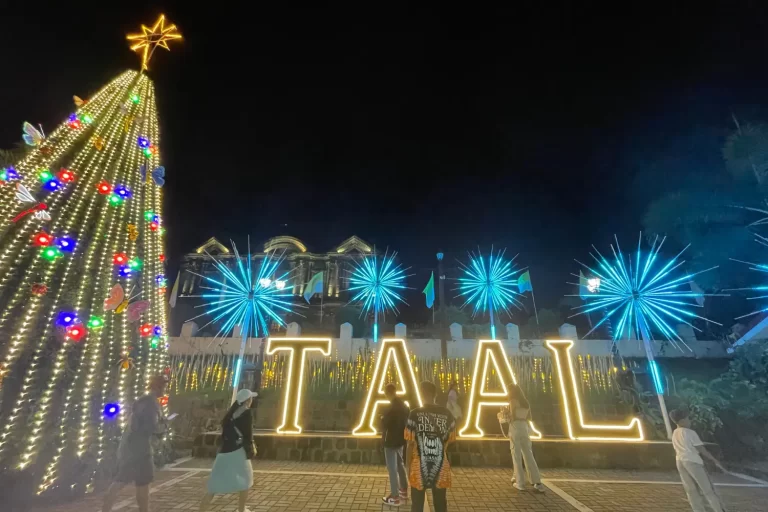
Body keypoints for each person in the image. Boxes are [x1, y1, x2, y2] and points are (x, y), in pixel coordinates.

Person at [102, 375, 168, 512]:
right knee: (123, 481)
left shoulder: (143, 401)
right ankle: (106, 509)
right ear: (157, 386)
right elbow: (150, 428)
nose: (165, 389)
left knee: (141, 483)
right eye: (164, 386)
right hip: (139, 449)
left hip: (134, 447)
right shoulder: (150, 403)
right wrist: (163, 425)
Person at [199, 388, 258, 512]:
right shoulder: (246, 413)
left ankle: (203, 509)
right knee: (246, 479)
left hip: (224, 453)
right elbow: (248, 433)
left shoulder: (230, 414)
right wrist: (252, 446)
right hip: (238, 452)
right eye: (251, 398)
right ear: (248, 400)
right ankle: (241, 510)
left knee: (214, 485)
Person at [404, 381, 456, 512]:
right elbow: (449, 440)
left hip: (418, 466)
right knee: (440, 504)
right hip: (440, 466)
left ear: (421, 394)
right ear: (435, 394)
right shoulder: (447, 414)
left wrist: (407, 465)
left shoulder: (414, 414)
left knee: (417, 504)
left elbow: (410, 443)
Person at [669, 409, 725, 512]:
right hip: (693, 462)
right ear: (682, 421)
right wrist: (714, 460)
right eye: (687, 419)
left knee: (691, 490)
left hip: (680, 461)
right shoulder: (690, 433)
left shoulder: (675, 432)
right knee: (707, 489)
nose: (689, 421)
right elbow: (702, 450)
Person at [499, 383, 545, 493]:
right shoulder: (525, 402)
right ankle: (536, 481)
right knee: (528, 454)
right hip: (525, 427)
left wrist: (502, 415)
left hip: (516, 427)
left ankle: (520, 482)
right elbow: (528, 417)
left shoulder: (513, 400)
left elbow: (512, 416)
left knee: (516, 454)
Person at [380, 383, 410, 506]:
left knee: (392, 468)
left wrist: (381, 419)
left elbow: (384, 424)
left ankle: (394, 496)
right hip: (401, 439)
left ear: (388, 393)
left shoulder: (390, 408)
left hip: (390, 440)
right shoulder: (404, 406)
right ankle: (404, 490)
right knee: (400, 464)